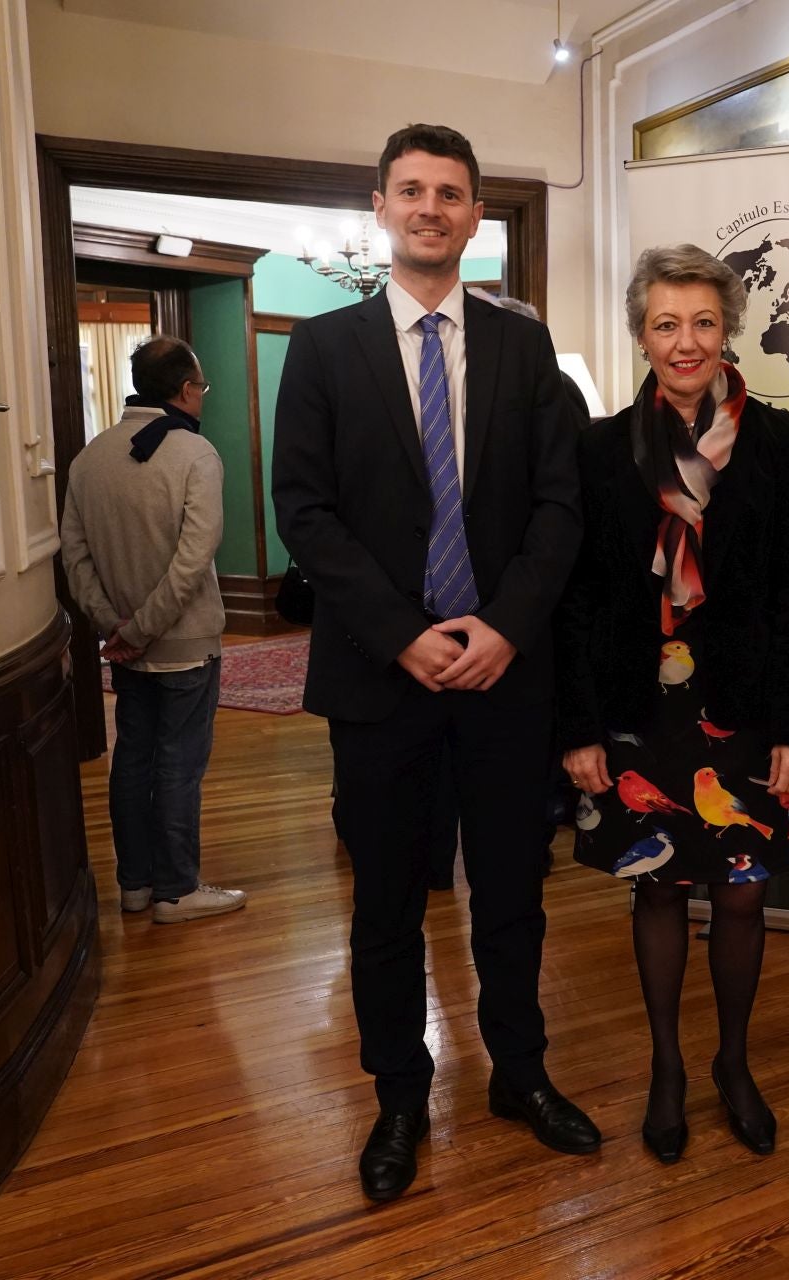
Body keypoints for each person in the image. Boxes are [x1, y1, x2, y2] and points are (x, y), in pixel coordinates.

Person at [271, 122, 591, 1203]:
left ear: (475, 215)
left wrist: (504, 626)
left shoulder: (523, 347)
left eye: (450, 193)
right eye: (411, 190)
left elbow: (559, 506)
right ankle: (400, 1096)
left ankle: (520, 1073)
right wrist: (402, 632)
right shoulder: (323, 349)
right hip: (380, 679)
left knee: (511, 894)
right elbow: (304, 511)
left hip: (504, 676)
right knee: (387, 908)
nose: (430, 208)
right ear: (379, 207)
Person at [555, 245, 789, 1164]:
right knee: (661, 888)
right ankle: (667, 1069)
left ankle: (733, 1064)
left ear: (728, 331)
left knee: (743, 897)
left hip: (746, 707)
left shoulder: (777, 440)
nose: (685, 342)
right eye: (666, 324)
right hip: (641, 708)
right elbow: (579, 601)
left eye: (703, 322)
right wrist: (579, 728)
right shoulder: (600, 448)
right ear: (642, 335)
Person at [60, 336, 247, 926]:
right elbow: (194, 561)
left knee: (132, 762)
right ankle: (176, 890)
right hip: (183, 645)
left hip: (122, 646)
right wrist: (142, 628)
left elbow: (74, 556)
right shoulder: (195, 454)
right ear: (187, 389)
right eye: (203, 387)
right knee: (178, 766)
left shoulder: (89, 458)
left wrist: (114, 626)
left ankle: (135, 885)